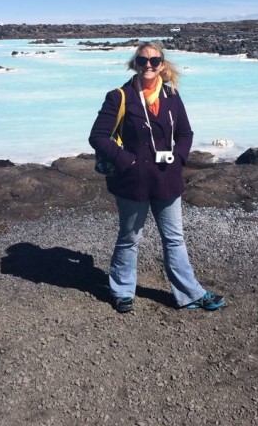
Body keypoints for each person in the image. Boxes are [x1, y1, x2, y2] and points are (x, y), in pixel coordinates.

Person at [89, 40, 227, 314]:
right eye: (142, 61)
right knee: (129, 238)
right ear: (135, 64)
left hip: (167, 179)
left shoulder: (172, 96)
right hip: (131, 182)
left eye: (154, 61)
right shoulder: (119, 96)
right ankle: (122, 291)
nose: (148, 65)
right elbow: (97, 137)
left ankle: (190, 294)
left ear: (162, 65)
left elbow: (186, 134)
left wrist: (180, 159)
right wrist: (126, 160)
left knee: (174, 239)